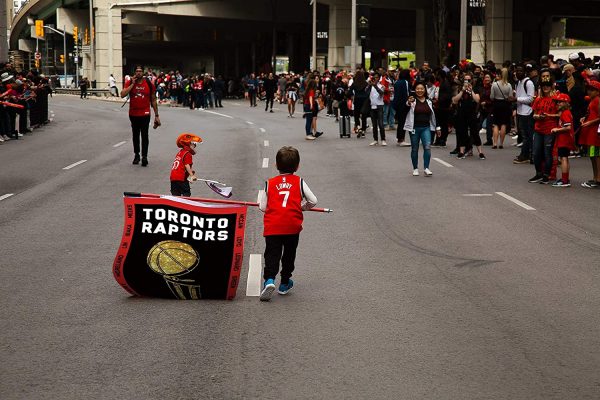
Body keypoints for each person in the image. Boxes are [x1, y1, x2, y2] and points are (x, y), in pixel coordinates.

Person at [258, 146, 318, 301]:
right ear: (297, 166)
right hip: (292, 225)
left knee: (272, 253)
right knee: (289, 254)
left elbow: (262, 207)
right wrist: (302, 207)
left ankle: (269, 280)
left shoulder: (269, 183)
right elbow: (313, 201)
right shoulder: (299, 182)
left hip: (273, 226)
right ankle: (284, 282)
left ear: (276, 165)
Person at [120, 65, 161, 167]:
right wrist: (132, 85)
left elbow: (153, 99)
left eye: (140, 71)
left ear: (143, 73)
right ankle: (136, 155)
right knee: (135, 135)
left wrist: (156, 115)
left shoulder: (149, 83)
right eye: (137, 71)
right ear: (134, 73)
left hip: (145, 114)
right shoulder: (130, 82)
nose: (138, 73)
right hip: (133, 114)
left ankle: (144, 156)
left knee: (145, 135)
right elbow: (122, 94)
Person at [404, 82, 440, 176]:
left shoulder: (429, 101)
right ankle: (415, 168)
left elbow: (434, 115)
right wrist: (408, 102)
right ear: (415, 90)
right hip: (414, 128)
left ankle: (426, 168)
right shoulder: (412, 100)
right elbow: (405, 107)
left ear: (425, 90)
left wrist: (438, 127)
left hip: (426, 128)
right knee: (414, 148)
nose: (420, 90)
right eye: (418, 89)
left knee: (427, 147)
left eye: (422, 89)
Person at [528, 76, 558, 184]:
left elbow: (561, 114)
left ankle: (546, 175)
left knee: (547, 153)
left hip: (550, 129)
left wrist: (549, 115)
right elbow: (534, 114)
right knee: (536, 152)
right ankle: (538, 173)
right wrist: (537, 117)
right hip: (538, 128)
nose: (545, 88)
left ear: (551, 87)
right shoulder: (538, 99)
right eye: (543, 86)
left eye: (547, 86)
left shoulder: (556, 99)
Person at [452, 73, 486, 160]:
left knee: (475, 132)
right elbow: (455, 101)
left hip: (472, 113)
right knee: (462, 132)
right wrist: (462, 91)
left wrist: (471, 91)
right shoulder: (459, 88)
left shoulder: (475, 89)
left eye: (469, 80)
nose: (467, 81)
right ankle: (461, 151)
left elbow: (477, 100)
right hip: (462, 113)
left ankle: (480, 152)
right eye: (465, 80)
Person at [579, 80, 600, 188]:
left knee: (596, 156)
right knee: (592, 155)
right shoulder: (592, 100)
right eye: (589, 89)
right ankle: (595, 177)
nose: (589, 91)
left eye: (592, 90)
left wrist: (590, 122)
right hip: (590, 133)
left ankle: (598, 179)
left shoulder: (597, 100)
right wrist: (584, 118)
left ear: (597, 91)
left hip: (595, 134)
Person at [551, 93, 575, 187]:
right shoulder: (566, 113)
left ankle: (565, 180)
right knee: (565, 158)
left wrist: (557, 129)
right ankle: (565, 178)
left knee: (563, 159)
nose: (558, 104)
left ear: (566, 103)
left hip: (564, 139)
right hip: (564, 139)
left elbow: (568, 127)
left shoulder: (565, 113)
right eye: (557, 102)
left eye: (560, 102)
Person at [513, 65, 536, 164]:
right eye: (517, 71)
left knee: (528, 136)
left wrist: (517, 99)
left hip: (527, 112)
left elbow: (531, 98)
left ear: (525, 72)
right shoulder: (518, 82)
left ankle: (528, 155)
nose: (518, 73)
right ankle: (526, 154)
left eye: (520, 71)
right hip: (521, 112)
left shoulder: (528, 83)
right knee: (524, 135)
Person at [490, 68, 514, 149]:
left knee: (496, 124)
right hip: (505, 104)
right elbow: (510, 96)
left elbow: (492, 97)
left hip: (496, 104)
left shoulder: (495, 84)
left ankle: (495, 143)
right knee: (503, 124)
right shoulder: (509, 85)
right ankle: (501, 144)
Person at [368, 71, 386, 146]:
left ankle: (383, 139)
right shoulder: (370, 86)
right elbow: (365, 93)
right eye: (374, 77)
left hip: (379, 106)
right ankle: (375, 139)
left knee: (381, 124)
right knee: (374, 125)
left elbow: (381, 93)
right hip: (372, 106)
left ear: (379, 78)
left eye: (377, 77)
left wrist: (375, 86)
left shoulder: (382, 86)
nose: (375, 78)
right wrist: (369, 85)